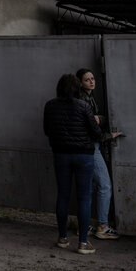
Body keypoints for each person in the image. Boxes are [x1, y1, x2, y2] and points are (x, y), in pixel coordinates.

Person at [43, 73, 104, 255]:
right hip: (84, 156)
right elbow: (96, 133)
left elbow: (47, 130)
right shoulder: (84, 106)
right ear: (77, 88)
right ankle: (83, 243)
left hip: (61, 155)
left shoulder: (50, 105)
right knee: (84, 197)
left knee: (63, 195)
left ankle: (62, 238)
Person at [76, 68, 124, 240]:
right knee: (104, 185)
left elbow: (96, 121)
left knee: (89, 188)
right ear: (80, 83)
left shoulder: (89, 97)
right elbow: (91, 127)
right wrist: (109, 135)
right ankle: (102, 226)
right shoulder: (82, 100)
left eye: (92, 78)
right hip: (91, 147)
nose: (91, 82)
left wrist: (100, 119)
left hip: (86, 147)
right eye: (87, 79)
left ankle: (85, 225)